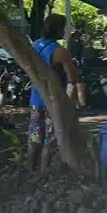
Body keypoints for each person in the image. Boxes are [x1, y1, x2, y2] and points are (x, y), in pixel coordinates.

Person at [27, 14, 79, 171]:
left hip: (36, 99)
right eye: (63, 28)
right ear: (57, 29)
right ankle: (44, 174)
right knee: (49, 140)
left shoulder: (34, 45)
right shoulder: (59, 51)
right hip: (53, 101)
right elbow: (73, 78)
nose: (64, 31)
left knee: (34, 137)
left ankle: (29, 171)